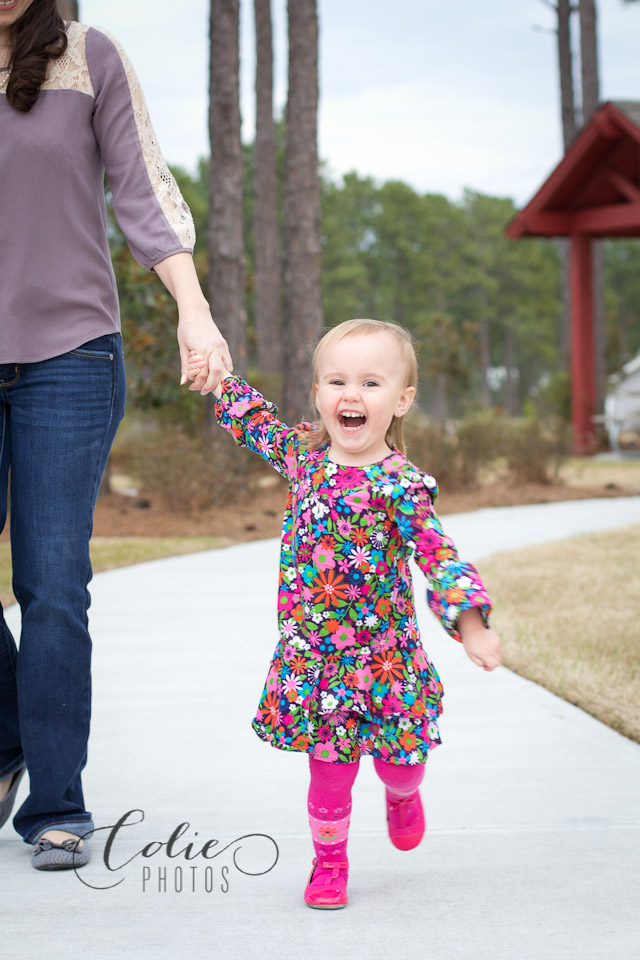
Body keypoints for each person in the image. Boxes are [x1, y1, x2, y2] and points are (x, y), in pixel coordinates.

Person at [0, 0, 229, 871]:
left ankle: (57, 805)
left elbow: (142, 186)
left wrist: (193, 313)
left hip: (68, 356)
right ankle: (9, 739)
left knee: (53, 583)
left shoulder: (90, 56)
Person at [186, 318, 502, 909]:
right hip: (317, 663)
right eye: (336, 381)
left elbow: (439, 556)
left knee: (399, 766)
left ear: (402, 400)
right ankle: (329, 862)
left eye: (370, 383)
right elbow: (257, 425)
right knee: (328, 775)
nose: (350, 395)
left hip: (385, 664)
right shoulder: (306, 459)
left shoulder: (402, 485)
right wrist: (220, 381)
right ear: (319, 393)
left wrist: (472, 624)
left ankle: (403, 794)